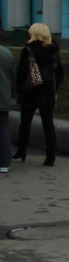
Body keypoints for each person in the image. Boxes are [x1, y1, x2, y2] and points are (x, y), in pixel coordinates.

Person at [14, 23, 65, 167]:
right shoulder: (54, 52)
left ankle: (21, 150)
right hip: (48, 92)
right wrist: (54, 87)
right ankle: (50, 155)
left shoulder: (28, 51)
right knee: (48, 123)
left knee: (25, 122)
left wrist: (19, 89)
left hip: (31, 91)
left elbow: (22, 72)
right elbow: (60, 73)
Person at [0, 43, 14, 172]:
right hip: (3, 97)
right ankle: (4, 161)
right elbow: (12, 76)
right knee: (3, 130)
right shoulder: (6, 53)